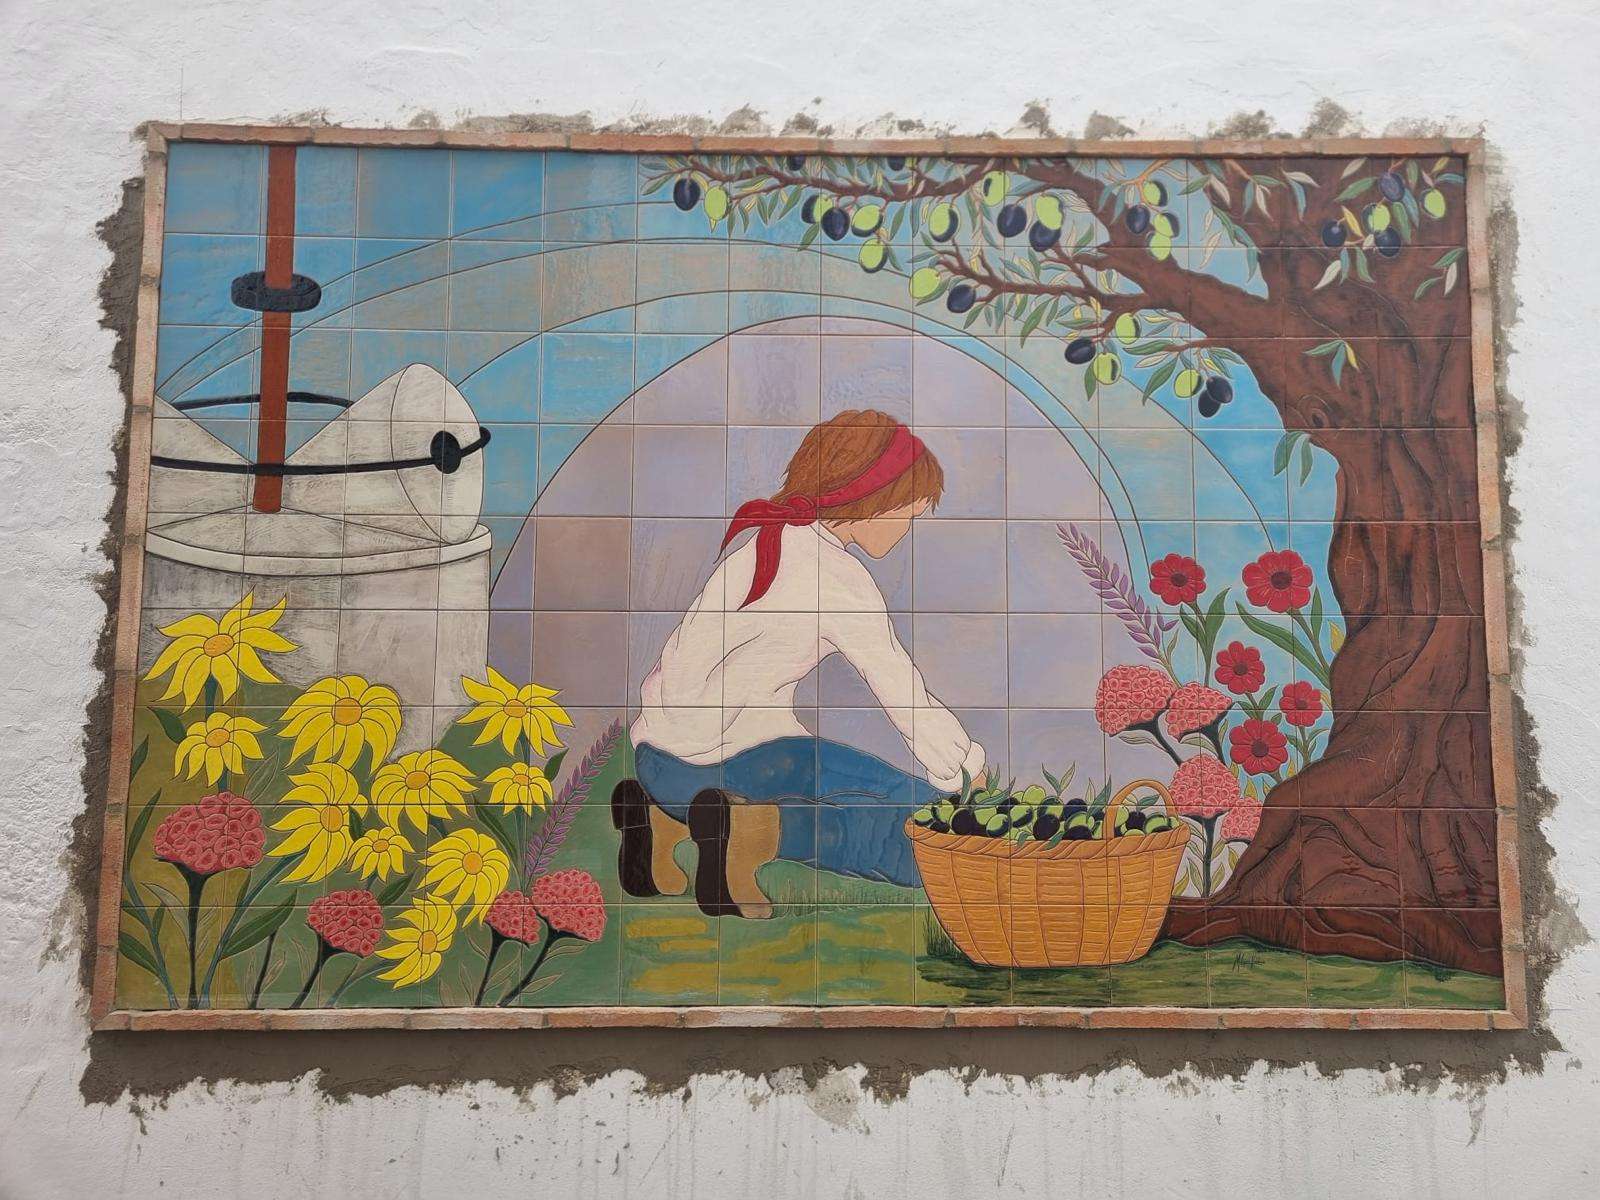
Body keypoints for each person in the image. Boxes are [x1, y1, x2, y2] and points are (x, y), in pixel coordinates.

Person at [613, 409, 985, 917]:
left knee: (868, 784)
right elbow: (903, 693)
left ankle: (660, 820)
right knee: (924, 834)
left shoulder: (761, 545)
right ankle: (749, 832)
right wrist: (966, 771)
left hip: (658, 763)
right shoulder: (838, 581)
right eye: (908, 512)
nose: (907, 528)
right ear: (872, 498)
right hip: (737, 769)